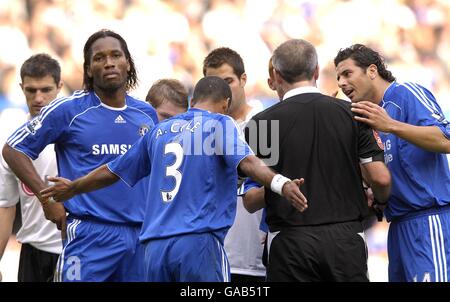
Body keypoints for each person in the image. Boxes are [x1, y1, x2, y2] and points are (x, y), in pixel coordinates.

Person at [39, 76, 308, 282]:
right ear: (225, 105)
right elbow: (247, 162)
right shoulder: (219, 124)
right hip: (198, 243)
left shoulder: (159, 131)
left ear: (192, 102)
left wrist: (74, 187)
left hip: (154, 249)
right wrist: (279, 183)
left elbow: (112, 171)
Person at [2, 29, 158, 282]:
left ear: (128, 63)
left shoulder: (146, 115)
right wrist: (47, 198)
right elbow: (13, 149)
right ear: (88, 69)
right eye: (99, 58)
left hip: (139, 236)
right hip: (88, 234)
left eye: (116, 55)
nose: (108, 62)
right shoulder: (69, 110)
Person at [246, 39, 391, 282]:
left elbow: (250, 201)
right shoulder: (352, 113)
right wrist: (380, 200)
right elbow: (380, 178)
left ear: (277, 75)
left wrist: (283, 186)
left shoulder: (262, 124)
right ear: (315, 71)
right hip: (345, 239)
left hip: (289, 242)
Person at [334, 43, 450, 282]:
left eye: (347, 74)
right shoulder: (365, 117)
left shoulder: (406, 93)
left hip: (428, 220)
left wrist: (391, 126)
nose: (341, 83)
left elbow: (446, 138)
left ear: (372, 70)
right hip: (397, 226)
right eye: (338, 77)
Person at [203, 47, 266, 281]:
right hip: (213, 257)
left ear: (243, 80)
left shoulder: (265, 123)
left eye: (228, 81)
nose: (221, 90)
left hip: (255, 259)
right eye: (213, 83)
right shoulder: (202, 130)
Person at [0, 54, 63, 282]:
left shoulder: (79, 131)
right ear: (21, 88)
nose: (38, 98)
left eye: (46, 89)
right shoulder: (11, 135)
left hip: (76, 249)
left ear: (60, 87)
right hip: (33, 251)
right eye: (31, 90)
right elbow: (6, 206)